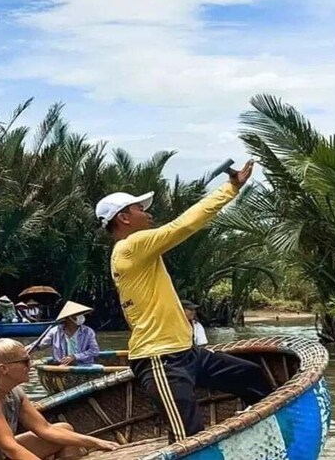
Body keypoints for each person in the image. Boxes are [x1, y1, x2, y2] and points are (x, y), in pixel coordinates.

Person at [96, 160, 271, 443]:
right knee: (187, 437)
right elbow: (185, 224)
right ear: (124, 218)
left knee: (249, 375)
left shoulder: (138, 251)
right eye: (141, 209)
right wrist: (232, 187)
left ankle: (261, 435)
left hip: (186, 353)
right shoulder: (130, 247)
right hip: (160, 359)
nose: (148, 213)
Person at [0, 336, 117, 460]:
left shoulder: (15, 393)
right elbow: (10, 447)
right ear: (3, 369)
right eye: (25, 362)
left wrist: (96, 441)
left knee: (64, 431)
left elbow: (45, 429)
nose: (32, 365)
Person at [31, 301, 99, 366]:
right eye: (76, 315)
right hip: (61, 365)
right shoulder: (55, 331)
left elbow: (94, 351)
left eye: (81, 314)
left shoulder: (88, 332)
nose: (81, 317)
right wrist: (26, 349)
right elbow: (40, 345)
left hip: (83, 365)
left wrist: (75, 357)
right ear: (69, 318)